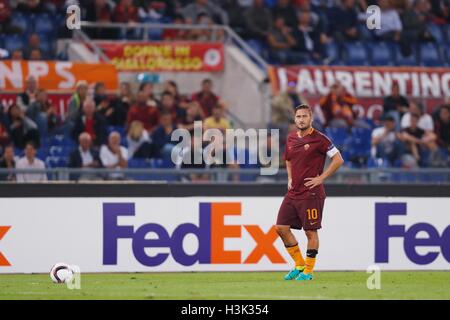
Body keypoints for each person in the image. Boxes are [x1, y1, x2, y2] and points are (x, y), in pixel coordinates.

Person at [276, 104, 344, 281]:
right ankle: (299, 265)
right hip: (294, 192)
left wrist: (321, 178)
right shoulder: (291, 138)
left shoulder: (320, 139)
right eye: (298, 116)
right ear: (294, 119)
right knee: (281, 228)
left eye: (304, 116)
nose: (301, 119)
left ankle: (309, 271)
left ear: (311, 118)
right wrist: (290, 178)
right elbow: (288, 160)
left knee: (310, 232)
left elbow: (338, 159)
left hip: (311, 193)